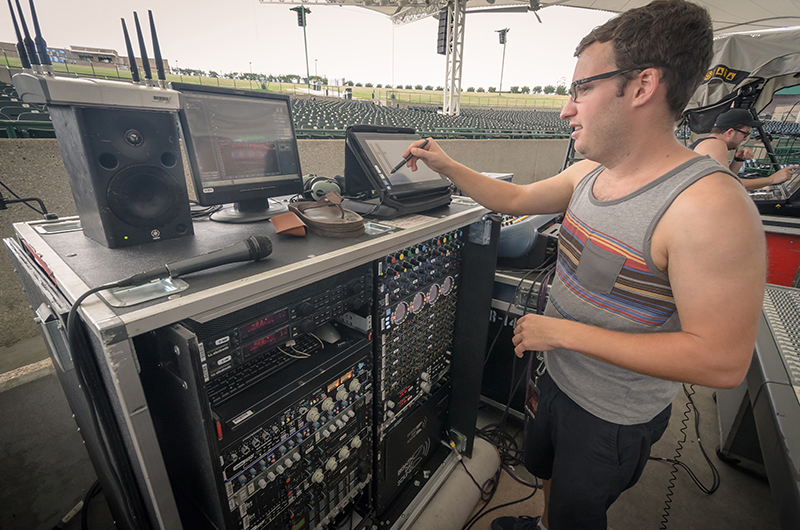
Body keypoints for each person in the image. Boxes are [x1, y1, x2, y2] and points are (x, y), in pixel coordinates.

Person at [400, 1, 765, 529]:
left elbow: (722, 361)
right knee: (548, 479)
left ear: (642, 86)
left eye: (581, 89)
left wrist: (564, 334)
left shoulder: (710, 209)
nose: (567, 109)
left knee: (578, 513)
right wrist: (447, 163)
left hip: (610, 416)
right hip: (556, 379)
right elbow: (517, 197)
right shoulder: (592, 171)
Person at [690, 108, 798, 190]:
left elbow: (726, 179)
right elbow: (725, 185)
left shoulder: (707, 143)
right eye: (745, 134)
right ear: (730, 132)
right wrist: (772, 179)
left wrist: (738, 160)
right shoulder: (715, 144)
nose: (745, 139)